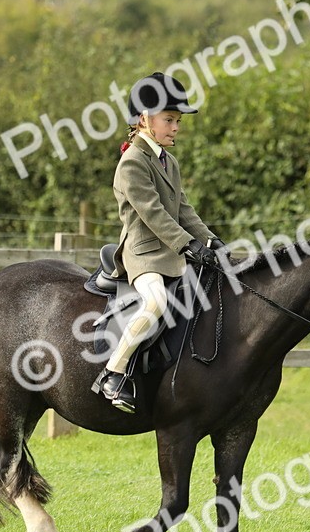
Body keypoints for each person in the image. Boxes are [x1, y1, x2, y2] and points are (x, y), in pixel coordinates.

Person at [94, 72, 224, 413]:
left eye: (178, 121)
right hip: (144, 255)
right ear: (143, 119)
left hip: (173, 252)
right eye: (169, 120)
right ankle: (113, 373)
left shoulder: (169, 161)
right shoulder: (132, 163)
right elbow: (153, 214)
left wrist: (210, 240)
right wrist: (187, 245)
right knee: (155, 303)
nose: (176, 127)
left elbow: (183, 210)